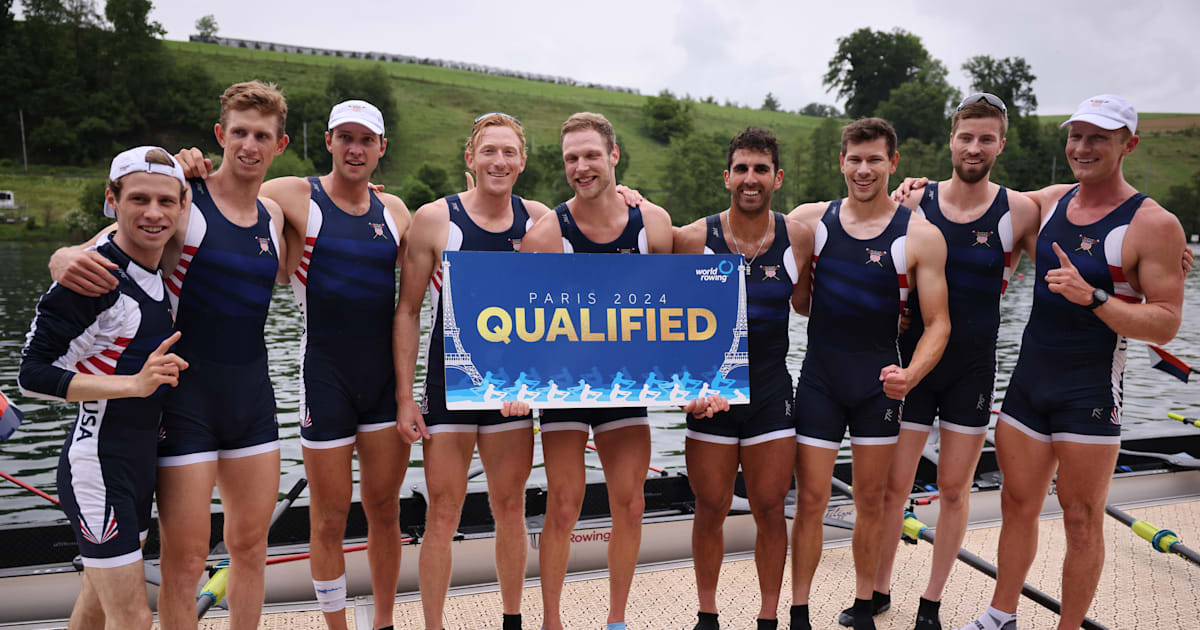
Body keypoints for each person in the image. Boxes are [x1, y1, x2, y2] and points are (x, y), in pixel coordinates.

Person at [49, 82, 290, 630]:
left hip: (252, 397)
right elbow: (112, 242)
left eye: (261, 136)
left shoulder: (274, 215)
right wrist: (64, 256)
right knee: (185, 562)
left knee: (251, 547)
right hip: (185, 402)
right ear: (219, 135)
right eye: (239, 133)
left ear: (279, 145)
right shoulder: (186, 202)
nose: (248, 146)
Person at [948, 96, 1186, 630]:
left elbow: (1167, 321)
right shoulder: (1048, 202)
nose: (1082, 147)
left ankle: (1068, 626)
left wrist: (1096, 299)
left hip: (1091, 392)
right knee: (1016, 504)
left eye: (1098, 137)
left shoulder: (1154, 224)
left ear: (1129, 145)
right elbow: (974, 202)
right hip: (1029, 386)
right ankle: (1000, 615)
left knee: (1081, 519)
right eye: (1076, 135)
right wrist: (911, 190)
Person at [177, 99, 412, 630]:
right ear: (326, 141)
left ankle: (384, 623)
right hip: (324, 378)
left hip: (384, 384)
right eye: (344, 137)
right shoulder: (289, 195)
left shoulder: (396, 211)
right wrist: (186, 165)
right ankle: (336, 626)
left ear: (380, 149)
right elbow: (224, 195)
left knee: (385, 513)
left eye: (366, 140)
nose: (355, 149)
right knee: (329, 519)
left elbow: (430, 287)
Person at [837, 94, 1040, 630]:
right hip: (912, 364)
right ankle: (877, 592)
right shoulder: (912, 204)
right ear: (951, 140)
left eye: (986, 138)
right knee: (891, 488)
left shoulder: (1019, 210)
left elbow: (1076, 228)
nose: (974, 147)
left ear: (1001, 143)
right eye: (966, 137)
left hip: (972, 366)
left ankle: (931, 602)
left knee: (953, 489)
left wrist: (1164, 257)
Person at [787, 117, 950, 630]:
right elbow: (739, 228)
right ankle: (798, 609)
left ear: (893, 163)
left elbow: (939, 325)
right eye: (854, 159)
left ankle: (864, 604)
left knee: (871, 500)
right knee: (811, 499)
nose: (863, 169)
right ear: (841, 162)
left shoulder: (921, 236)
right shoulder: (810, 220)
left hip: (878, 384)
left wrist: (913, 375)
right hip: (819, 379)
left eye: (874, 159)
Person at [20, 146, 190, 630]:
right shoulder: (91, 275)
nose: (153, 213)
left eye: (165, 201)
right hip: (98, 469)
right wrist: (134, 385)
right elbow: (30, 375)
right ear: (112, 200)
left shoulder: (153, 275)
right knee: (132, 619)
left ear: (181, 205)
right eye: (138, 199)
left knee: (94, 607)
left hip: (136, 469)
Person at [518, 112, 674, 630]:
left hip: (625, 384)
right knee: (563, 507)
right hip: (565, 387)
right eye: (571, 159)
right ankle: (552, 621)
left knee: (629, 505)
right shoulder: (545, 235)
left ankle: (616, 620)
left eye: (590, 155)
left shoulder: (652, 224)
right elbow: (525, 324)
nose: (581, 167)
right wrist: (517, 383)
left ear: (614, 156)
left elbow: (672, 309)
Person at [393, 112, 546, 630]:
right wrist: (405, 396)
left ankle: (511, 619)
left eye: (508, 152)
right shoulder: (436, 219)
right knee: (443, 510)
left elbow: (562, 312)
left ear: (522, 161)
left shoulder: (540, 222)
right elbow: (409, 311)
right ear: (470, 159)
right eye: (489, 151)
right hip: (449, 382)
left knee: (510, 505)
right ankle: (433, 625)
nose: (498, 161)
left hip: (512, 390)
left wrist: (534, 383)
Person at [672, 127, 813, 630]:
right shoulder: (690, 240)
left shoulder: (798, 237)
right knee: (709, 507)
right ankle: (706, 615)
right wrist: (684, 389)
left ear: (777, 178)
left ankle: (769, 617)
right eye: (741, 169)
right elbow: (652, 323)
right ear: (726, 176)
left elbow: (809, 304)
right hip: (711, 395)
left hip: (772, 391)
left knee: (770, 508)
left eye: (760, 170)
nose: (749, 179)